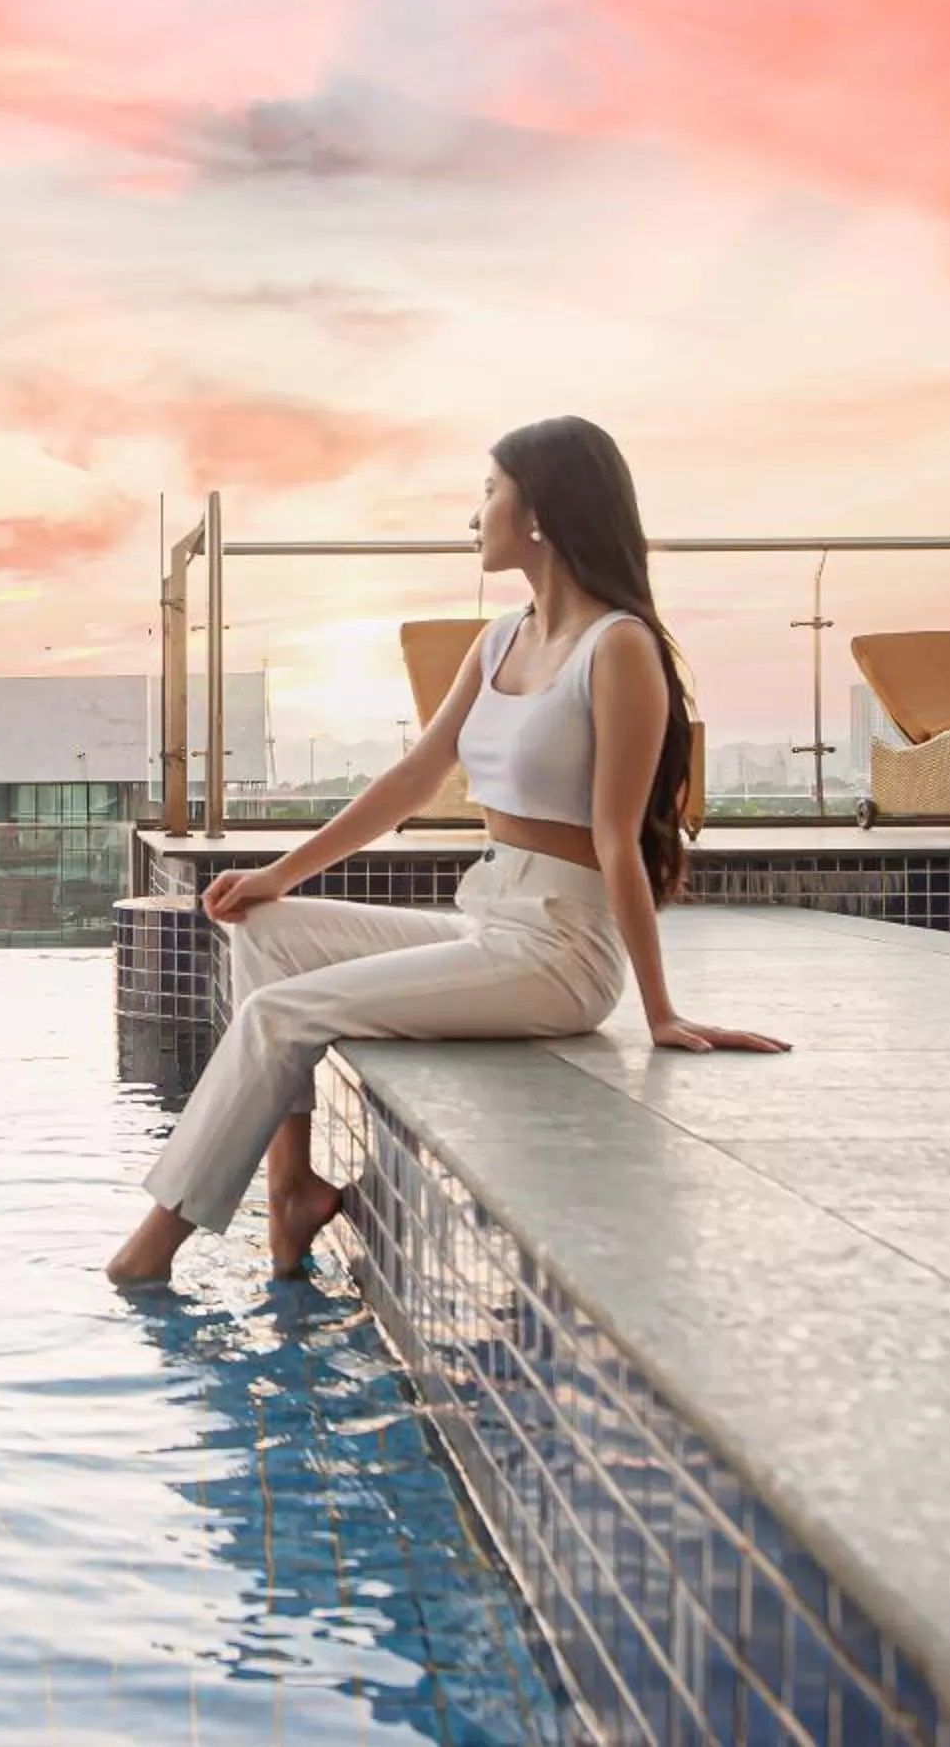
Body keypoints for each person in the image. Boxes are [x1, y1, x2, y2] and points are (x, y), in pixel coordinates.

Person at [107, 415, 790, 1288]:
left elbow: (618, 839)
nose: (475, 517)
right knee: (263, 927)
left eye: (489, 491)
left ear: (539, 510)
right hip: (489, 918)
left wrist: (659, 1012)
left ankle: (153, 1245)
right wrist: (277, 874)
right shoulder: (499, 637)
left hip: (560, 954)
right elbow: (415, 775)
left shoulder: (618, 649)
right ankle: (291, 1191)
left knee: (283, 1016)